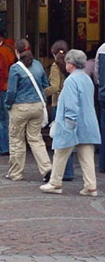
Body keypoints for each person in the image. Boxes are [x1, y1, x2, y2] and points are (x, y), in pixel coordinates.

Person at [40, 50, 101, 196]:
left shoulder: (71, 80)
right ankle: (90, 185)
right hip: (88, 123)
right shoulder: (86, 78)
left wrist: (69, 124)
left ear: (71, 64)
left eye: (67, 62)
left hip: (72, 124)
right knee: (86, 156)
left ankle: (55, 183)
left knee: (60, 152)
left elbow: (71, 105)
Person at [4, 38, 52, 182]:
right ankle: (47, 168)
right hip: (37, 106)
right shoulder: (37, 64)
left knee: (16, 139)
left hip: (20, 107)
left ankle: (15, 173)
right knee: (36, 138)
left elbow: (11, 91)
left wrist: (7, 105)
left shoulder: (15, 68)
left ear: (16, 51)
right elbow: (45, 84)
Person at [44, 40, 74, 181]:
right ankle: (69, 170)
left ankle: (62, 172)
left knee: (59, 141)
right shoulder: (71, 65)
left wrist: (41, 93)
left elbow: (54, 87)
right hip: (70, 104)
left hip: (58, 105)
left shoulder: (55, 66)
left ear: (53, 52)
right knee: (69, 138)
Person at [95, 41, 105, 174]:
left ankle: (103, 164)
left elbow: (97, 74)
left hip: (103, 94)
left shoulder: (102, 49)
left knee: (104, 130)